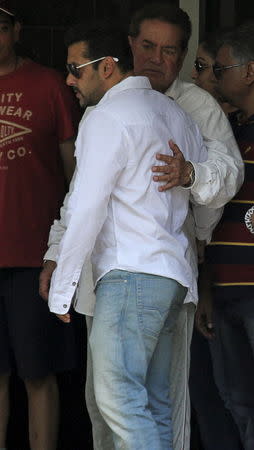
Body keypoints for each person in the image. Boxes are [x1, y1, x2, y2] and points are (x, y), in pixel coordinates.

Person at [40, 4, 244, 450]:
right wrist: (59, 255)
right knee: (142, 403)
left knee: (123, 401)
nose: (156, 58)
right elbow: (81, 198)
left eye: (169, 50)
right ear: (129, 48)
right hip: (160, 275)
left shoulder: (125, 113)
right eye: (148, 46)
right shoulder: (166, 113)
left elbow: (88, 205)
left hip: (132, 273)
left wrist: (62, 286)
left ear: (107, 66)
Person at [0, 2, 80, 449]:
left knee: (38, 372)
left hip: (36, 256)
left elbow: (76, 175)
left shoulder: (49, 84)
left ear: (16, 30)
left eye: (0, 26)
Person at [196, 22, 254, 450]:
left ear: (249, 72)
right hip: (225, 289)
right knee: (237, 402)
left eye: (220, 69)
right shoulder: (230, 133)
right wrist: (208, 284)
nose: (213, 78)